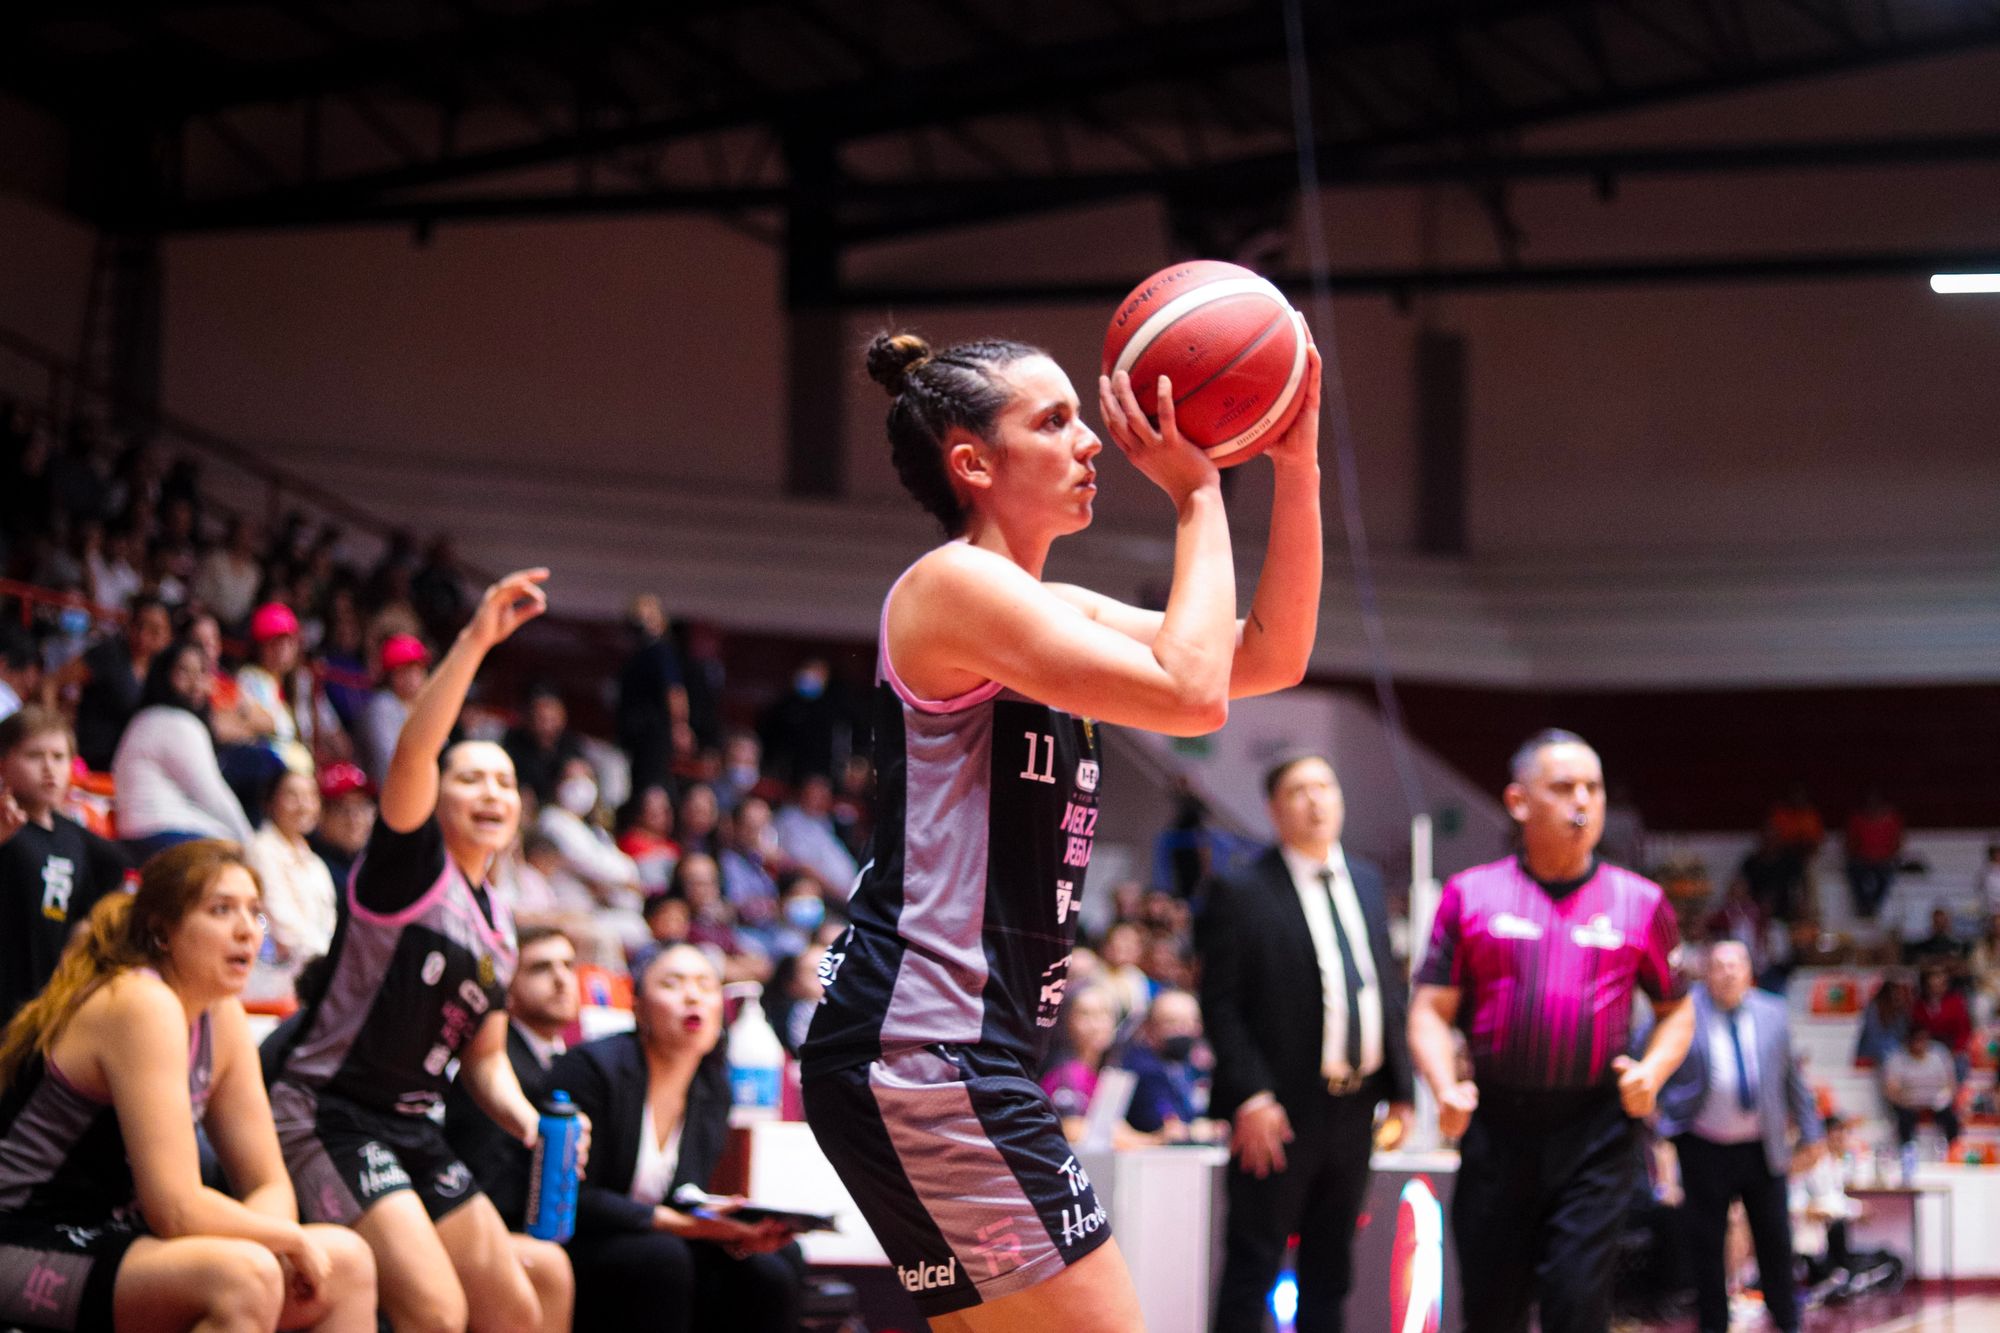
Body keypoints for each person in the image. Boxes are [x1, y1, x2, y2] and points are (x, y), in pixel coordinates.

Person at [801, 327, 1324, 1331]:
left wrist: (1292, 469)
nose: (1090, 441)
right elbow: (1191, 691)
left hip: (945, 1052)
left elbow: (1268, 654)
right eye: (1054, 421)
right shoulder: (951, 587)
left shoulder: (1044, 607)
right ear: (973, 463)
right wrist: (1197, 492)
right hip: (925, 1048)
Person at [264, 569, 575, 1333]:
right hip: (327, 1113)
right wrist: (475, 639)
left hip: (413, 1124)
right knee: (436, 1312)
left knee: (515, 1309)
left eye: (504, 781)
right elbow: (414, 747)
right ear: (435, 794)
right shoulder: (407, 866)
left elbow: (487, 1060)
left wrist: (529, 1121)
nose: (492, 791)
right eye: (470, 777)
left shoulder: (500, 920)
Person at [0, 840, 377, 1333]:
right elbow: (174, 1208)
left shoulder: (220, 1015)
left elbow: (267, 1182)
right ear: (162, 930)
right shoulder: (140, 1003)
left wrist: (278, 1237)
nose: (247, 930)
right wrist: (281, 1240)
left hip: (115, 1237)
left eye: (255, 912)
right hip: (25, 1236)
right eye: (221, 910)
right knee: (245, 1277)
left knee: (347, 1262)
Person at [1409, 728, 1694, 1333]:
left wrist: (1652, 1071)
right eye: (1564, 788)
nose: (1583, 802)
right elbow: (1430, 1010)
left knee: (1575, 1302)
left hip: (1595, 1131)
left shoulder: (1640, 901)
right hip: (1496, 1129)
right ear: (1518, 802)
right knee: (1491, 1308)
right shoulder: (1470, 895)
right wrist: (1443, 1088)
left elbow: (1677, 1010)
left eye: (1593, 788)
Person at [1199, 752, 1414, 1333]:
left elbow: (1383, 990)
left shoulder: (1366, 880)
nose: (1316, 800)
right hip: (1279, 1110)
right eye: (1299, 790)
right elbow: (1220, 1005)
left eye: (1326, 786)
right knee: (1254, 1265)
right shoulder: (1241, 889)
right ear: (1273, 809)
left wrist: (1402, 1088)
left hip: (1354, 1109)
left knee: (1331, 1270)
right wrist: (1252, 1097)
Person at [550, 942, 804, 1333]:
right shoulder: (592, 1069)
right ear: (638, 1006)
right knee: (663, 1256)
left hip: (658, 1237)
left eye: (705, 985)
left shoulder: (713, 1087)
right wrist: (686, 1225)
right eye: (673, 983)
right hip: (587, 1239)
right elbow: (574, 1195)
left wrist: (725, 1222)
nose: (692, 996)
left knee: (776, 1263)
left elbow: (685, 1193)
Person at [1655, 941, 1822, 1333]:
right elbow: (1650, 1054)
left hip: (1761, 1148)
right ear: (1707, 973)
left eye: (1736, 965)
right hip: (1703, 1145)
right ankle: (1714, 1327)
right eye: (1719, 965)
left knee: (1776, 1244)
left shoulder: (1774, 1013)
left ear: (1749, 971)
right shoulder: (1685, 1012)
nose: (1728, 972)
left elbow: (1792, 1078)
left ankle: (1788, 1323)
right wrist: (1662, 1114)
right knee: (1707, 1247)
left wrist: (1812, 1131)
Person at [444, 926, 581, 1229]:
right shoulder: (491, 1068)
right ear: (505, 990)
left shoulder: (574, 1060)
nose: (561, 980)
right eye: (540, 969)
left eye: (568, 966)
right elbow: (487, 1187)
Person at [0, 707, 129, 1023]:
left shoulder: (74, 837)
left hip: (43, 1004)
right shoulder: (6, 827)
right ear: (2, 762)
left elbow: (115, 875)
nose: (49, 769)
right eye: (34, 756)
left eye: (58, 757)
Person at [112, 638, 256, 862]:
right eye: (183, 671)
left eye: (202, 673)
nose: (195, 683)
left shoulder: (145, 718)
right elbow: (212, 794)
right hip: (164, 834)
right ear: (163, 675)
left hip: (142, 834)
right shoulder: (176, 722)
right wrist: (250, 842)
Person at [245, 770, 339, 973]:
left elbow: (330, 924)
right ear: (269, 802)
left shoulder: (316, 863)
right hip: (278, 971)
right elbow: (281, 924)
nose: (304, 805)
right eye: (292, 796)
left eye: (310, 796)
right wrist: (328, 961)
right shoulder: (260, 849)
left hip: (318, 967)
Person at [70, 593, 173, 771]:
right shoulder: (107, 655)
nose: (144, 636)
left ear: (168, 635)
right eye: (140, 626)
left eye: (155, 630)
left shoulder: (164, 669)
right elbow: (50, 683)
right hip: (92, 759)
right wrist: (63, 738)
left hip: (130, 765)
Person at [1113, 988, 1212, 1138]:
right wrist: (1195, 1130)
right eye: (1171, 1022)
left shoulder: (1193, 1068)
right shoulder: (1142, 1069)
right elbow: (1164, 1126)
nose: (1182, 1030)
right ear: (1149, 1027)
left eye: (1190, 1022)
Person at [614, 594, 686, 795]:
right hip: (634, 733)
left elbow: (674, 691)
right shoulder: (637, 654)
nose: (643, 625)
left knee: (651, 785)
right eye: (638, 619)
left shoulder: (661, 651)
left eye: (649, 618)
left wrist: (679, 726)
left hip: (653, 734)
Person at [358, 633, 430, 788]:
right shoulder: (382, 706)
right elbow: (387, 762)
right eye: (404, 671)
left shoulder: (424, 706)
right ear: (390, 676)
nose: (412, 677)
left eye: (417, 670)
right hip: (392, 792)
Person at [1041, 984, 1118, 1128]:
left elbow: (1113, 1126)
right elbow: (1070, 1128)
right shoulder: (1062, 1073)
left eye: (1104, 1013)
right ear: (1066, 1021)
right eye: (1085, 1014)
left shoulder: (1105, 1070)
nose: (1097, 1024)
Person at [502, 684, 584, 807]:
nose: (547, 726)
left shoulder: (570, 743)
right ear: (528, 717)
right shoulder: (513, 743)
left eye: (552, 718)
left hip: (560, 809)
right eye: (541, 718)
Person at [1881, 1026, 1960, 1149]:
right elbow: (1891, 1089)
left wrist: (1943, 1099)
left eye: (1923, 1040)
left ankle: (1954, 1149)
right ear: (1909, 1042)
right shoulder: (1897, 1058)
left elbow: (1951, 1083)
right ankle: (1907, 1152)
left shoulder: (1939, 1054)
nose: (1920, 1044)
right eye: (1917, 1040)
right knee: (1904, 1120)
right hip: (1908, 1104)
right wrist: (1905, 1101)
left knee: (1951, 1119)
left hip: (1936, 1103)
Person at [307, 763, 375, 891]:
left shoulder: (375, 859)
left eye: (362, 807)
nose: (355, 819)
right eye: (342, 809)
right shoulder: (311, 867)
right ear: (319, 815)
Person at [1844, 791, 1904, 922]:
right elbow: (1850, 843)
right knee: (1854, 870)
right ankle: (1864, 905)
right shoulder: (1857, 819)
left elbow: (1896, 843)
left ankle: (1873, 906)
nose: (1873, 807)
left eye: (1876, 804)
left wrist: (1887, 857)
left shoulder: (1890, 819)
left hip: (1883, 860)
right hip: (1862, 859)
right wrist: (1860, 856)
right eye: (1870, 804)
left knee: (1887, 874)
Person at [1854, 973, 1912, 1068]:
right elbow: (1873, 1037)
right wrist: (1891, 1056)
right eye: (1896, 992)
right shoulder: (1873, 1008)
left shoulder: (1902, 1012)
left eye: (1901, 992)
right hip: (1872, 1053)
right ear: (1887, 993)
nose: (1898, 996)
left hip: (1892, 1055)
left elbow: (1902, 1036)